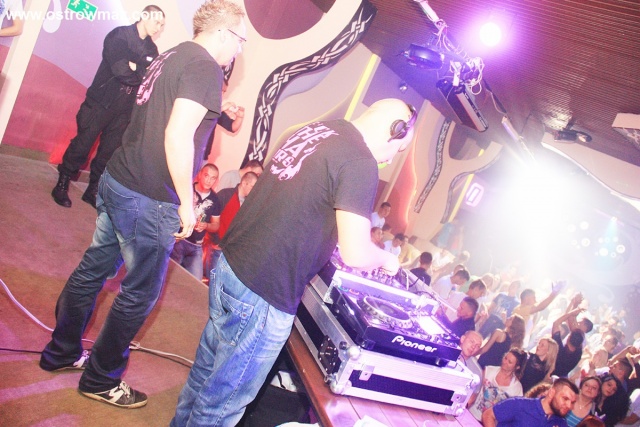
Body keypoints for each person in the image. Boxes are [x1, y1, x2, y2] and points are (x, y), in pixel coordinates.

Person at [40, 0, 247, 409]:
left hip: (120, 179)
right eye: (240, 40)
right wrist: (186, 204)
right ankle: (100, 379)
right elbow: (177, 136)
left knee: (92, 270)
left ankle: (60, 352)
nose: (239, 48)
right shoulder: (205, 67)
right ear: (223, 33)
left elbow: (161, 112)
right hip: (149, 198)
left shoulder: (172, 54)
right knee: (139, 294)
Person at [171, 98, 417, 426]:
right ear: (394, 131)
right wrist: (387, 259)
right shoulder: (361, 161)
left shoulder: (318, 129)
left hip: (231, 265)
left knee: (204, 374)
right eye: (399, 148)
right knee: (222, 403)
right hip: (264, 292)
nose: (391, 158)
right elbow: (356, 253)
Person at [51, 5, 165, 208]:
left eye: (162, 25)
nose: (159, 27)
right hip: (100, 103)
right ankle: (63, 182)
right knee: (82, 144)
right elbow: (121, 71)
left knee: (108, 153)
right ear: (145, 16)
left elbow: (150, 79)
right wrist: (140, 71)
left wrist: (136, 68)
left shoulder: (152, 50)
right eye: (157, 22)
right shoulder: (119, 36)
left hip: (125, 110)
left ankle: (93, 190)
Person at [202, 171, 258, 280]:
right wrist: (214, 241)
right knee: (211, 279)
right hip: (216, 245)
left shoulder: (248, 204)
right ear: (244, 183)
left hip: (229, 251)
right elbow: (211, 216)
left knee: (218, 280)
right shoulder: (225, 195)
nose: (254, 190)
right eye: (252, 186)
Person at [170, 163, 222, 280]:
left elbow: (216, 225)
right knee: (169, 274)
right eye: (206, 176)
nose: (209, 180)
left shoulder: (215, 200)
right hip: (179, 240)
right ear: (200, 174)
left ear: (216, 181)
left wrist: (206, 225)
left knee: (196, 280)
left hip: (196, 245)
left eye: (213, 178)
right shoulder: (187, 190)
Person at [482, 377, 579, 427]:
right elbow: (488, 415)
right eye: (565, 398)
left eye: (572, 402)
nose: (569, 405)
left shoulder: (561, 424)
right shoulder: (521, 404)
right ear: (552, 393)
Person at [468, 348, 527, 421]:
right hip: (472, 413)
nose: (505, 362)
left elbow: (513, 411)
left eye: (510, 362)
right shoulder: (489, 370)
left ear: (517, 367)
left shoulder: (517, 388)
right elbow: (473, 392)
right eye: (505, 358)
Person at [202, 79, 245, 160]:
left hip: (203, 156)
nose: (222, 94)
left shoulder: (216, 108)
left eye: (224, 92)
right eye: (220, 90)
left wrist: (240, 117)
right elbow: (202, 118)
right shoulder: (199, 102)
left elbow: (232, 127)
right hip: (189, 151)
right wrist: (222, 108)